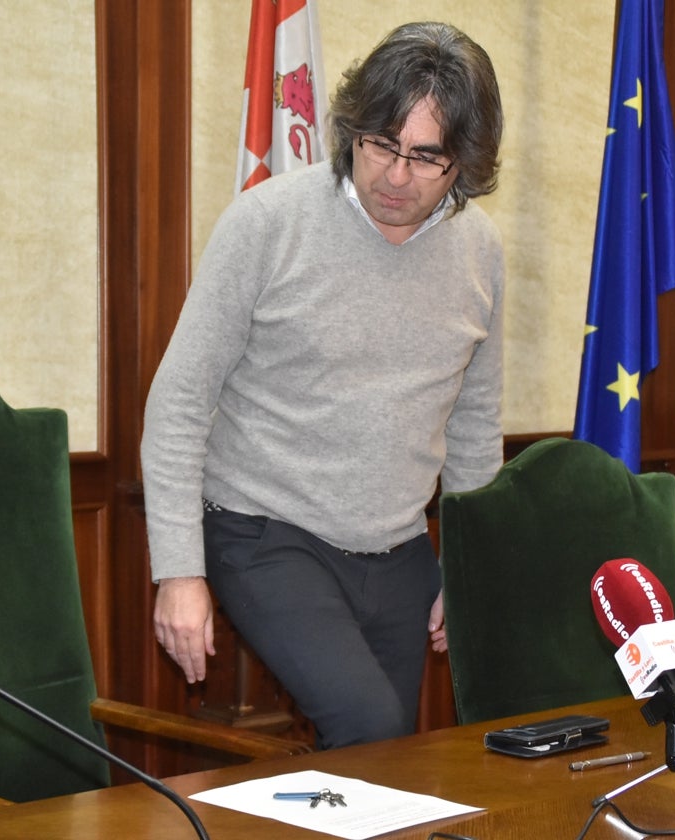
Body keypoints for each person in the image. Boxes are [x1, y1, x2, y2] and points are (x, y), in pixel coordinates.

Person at [141, 20, 505, 748]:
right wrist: (178, 572)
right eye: (379, 144)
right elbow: (180, 400)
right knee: (367, 724)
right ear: (351, 129)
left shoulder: (479, 251)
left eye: (424, 157)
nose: (395, 176)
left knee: (388, 757)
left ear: (463, 164)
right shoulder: (268, 221)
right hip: (265, 531)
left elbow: (474, 424)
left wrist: (465, 569)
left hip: (399, 547)